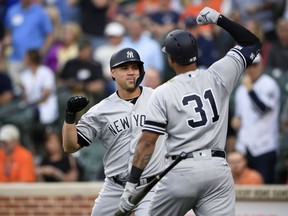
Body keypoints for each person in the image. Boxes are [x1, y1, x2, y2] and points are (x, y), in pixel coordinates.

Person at [118, 7, 261, 216]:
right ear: (195, 54)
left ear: (171, 60)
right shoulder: (218, 74)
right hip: (217, 169)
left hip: (181, 170)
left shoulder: (162, 92)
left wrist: (131, 185)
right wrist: (218, 19)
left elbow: (147, 143)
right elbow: (252, 42)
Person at [62, 47, 167, 215]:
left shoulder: (159, 99)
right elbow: (70, 146)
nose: (131, 72)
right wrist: (69, 117)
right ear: (112, 73)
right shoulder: (101, 110)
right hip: (115, 187)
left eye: (134, 68)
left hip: (151, 185)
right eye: (125, 68)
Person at [231, 53, 280, 184]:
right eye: (248, 66)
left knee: (265, 191)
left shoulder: (269, 84)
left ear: (261, 65)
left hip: (265, 147)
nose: (251, 69)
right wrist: (236, 120)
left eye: (255, 65)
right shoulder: (241, 90)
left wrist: (250, 90)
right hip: (245, 149)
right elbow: (240, 116)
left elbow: (263, 109)